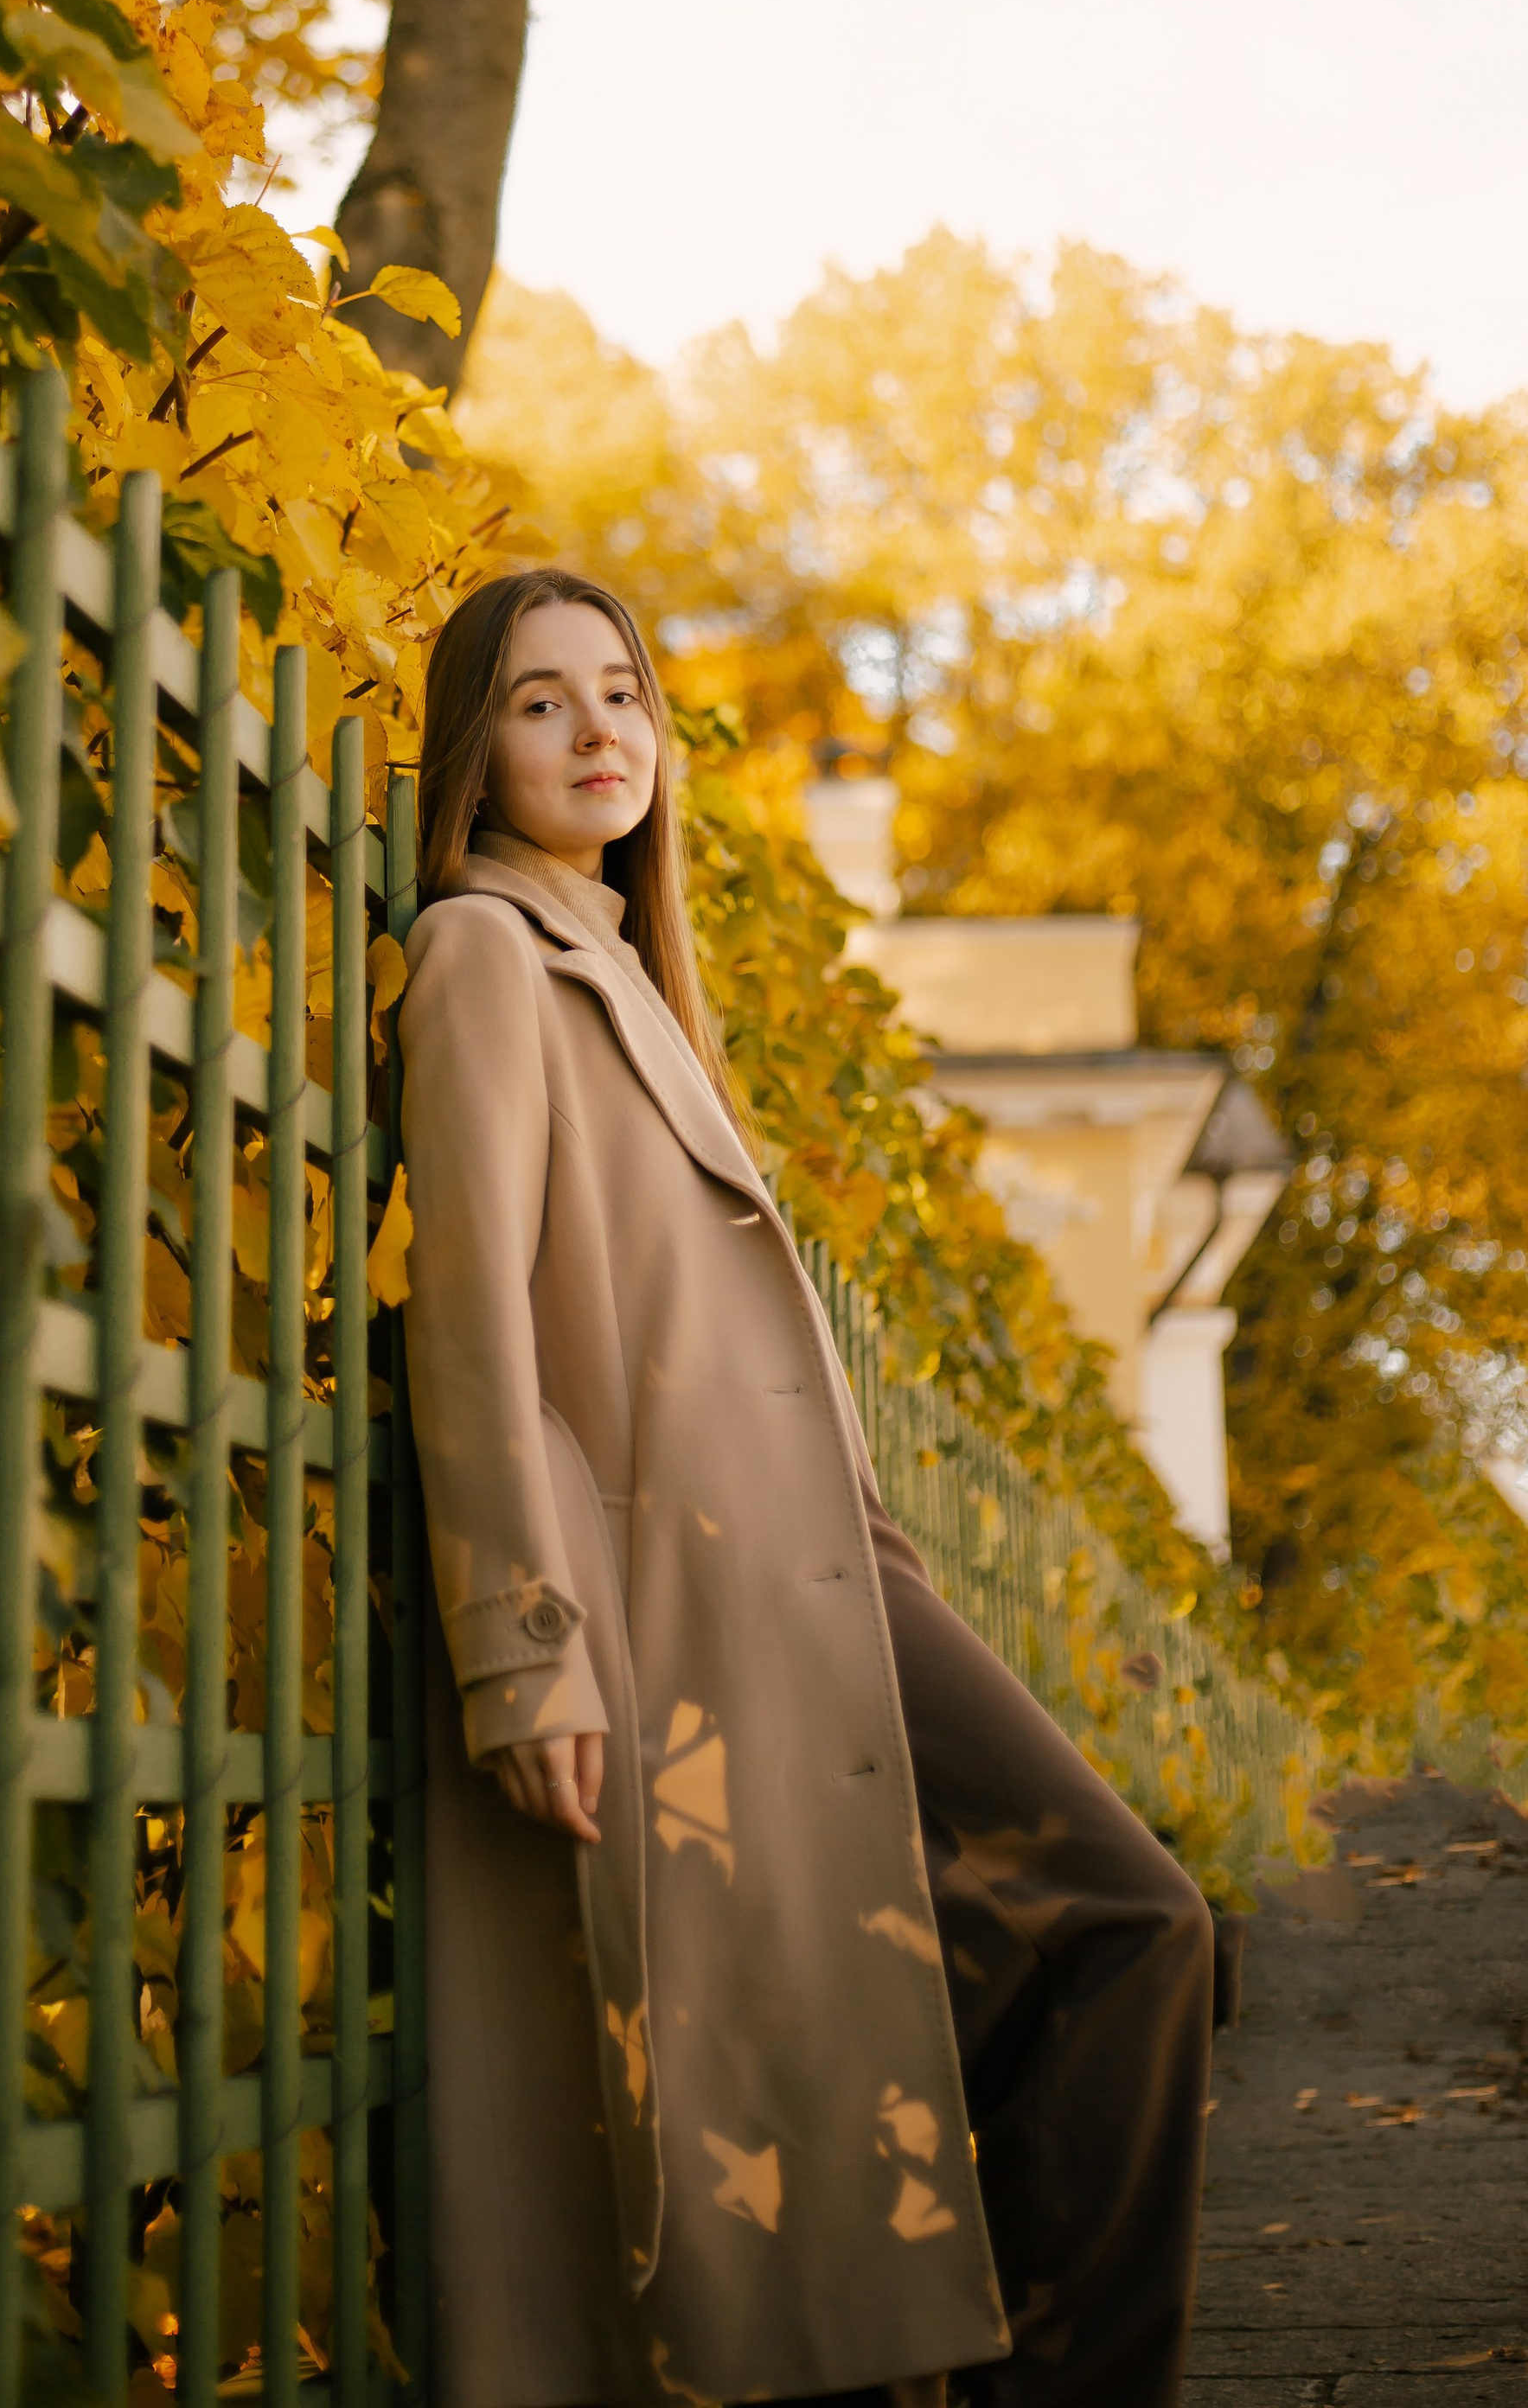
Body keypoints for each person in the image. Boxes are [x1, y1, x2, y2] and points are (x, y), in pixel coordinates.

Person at [395, 567, 1214, 2408]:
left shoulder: (628, 973)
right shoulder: (481, 955)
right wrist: (520, 1647)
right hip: (686, 1615)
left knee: (1095, 1945)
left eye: (619, 693)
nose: (595, 731)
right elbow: (471, 1326)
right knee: (1081, 1948)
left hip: (831, 1585)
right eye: (537, 702)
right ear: (471, 752)